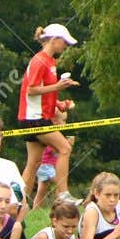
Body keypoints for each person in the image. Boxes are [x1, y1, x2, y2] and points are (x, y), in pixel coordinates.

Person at [17, 23, 80, 204]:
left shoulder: (51, 61)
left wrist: (59, 103)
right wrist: (58, 86)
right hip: (35, 118)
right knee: (65, 148)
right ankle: (63, 195)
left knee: (33, 163)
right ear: (54, 40)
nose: (65, 46)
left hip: (36, 117)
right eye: (64, 42)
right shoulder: (40, 61)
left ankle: (18, 204)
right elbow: (31, 90)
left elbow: (45, 92)